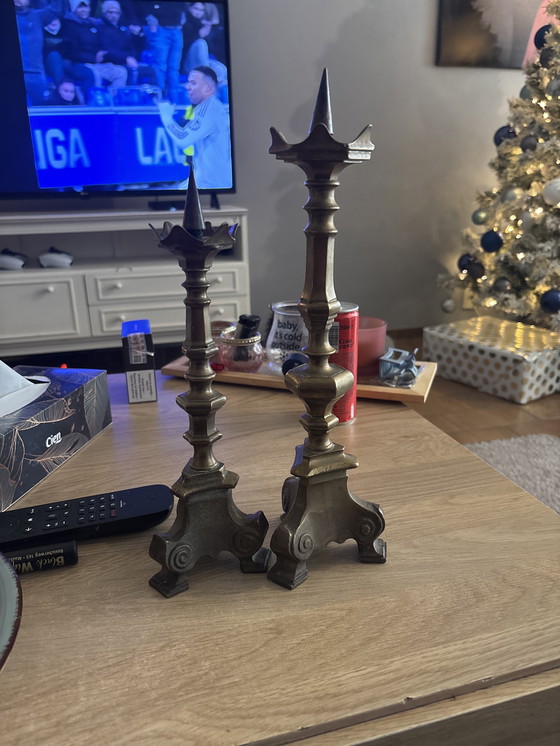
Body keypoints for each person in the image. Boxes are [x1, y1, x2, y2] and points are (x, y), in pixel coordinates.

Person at [157, 65, 231, 189]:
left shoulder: (209, 110)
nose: (187, 87)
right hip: (207, 182)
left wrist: (166, 117)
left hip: (213, 185)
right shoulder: (209, 107)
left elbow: (183, 139)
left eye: (193, 83)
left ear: (208, 87)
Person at [63, 0, 127, 93]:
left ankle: (113, 98)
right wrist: (93, 58)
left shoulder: (93, 24)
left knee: (120, 72)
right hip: (79, 63)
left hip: (97, 63)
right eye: (80, 7)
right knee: (94, 74)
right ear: (74, 9)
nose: (84, 10)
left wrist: (103, 53)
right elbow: (72, 52)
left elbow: (102, 43)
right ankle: (96, 99)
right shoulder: (69, 26)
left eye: (86, 7)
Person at [14, 0, 63, 105]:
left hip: (36, 73)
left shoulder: (38, 16)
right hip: (11, 73)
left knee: (41, 107)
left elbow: (56, 9)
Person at [138, 1, 188, 101]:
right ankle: (160, 98)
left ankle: (175, 101)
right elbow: (144, 6)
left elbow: (183, 7)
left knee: (174, 67)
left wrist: (182, 19)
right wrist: (151, 20)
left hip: (177, 30)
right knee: (160, 66)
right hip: (161, 29)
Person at [98, 0, 155, 86]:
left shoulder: (122, 29)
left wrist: (138, 36)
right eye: (110, 12)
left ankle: (153, 94)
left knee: (151, 70)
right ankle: (128, 94)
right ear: (104, 13)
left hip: (127, 61)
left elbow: (134, 48)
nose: (114, 15)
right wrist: (125, 59)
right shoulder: (100, 29)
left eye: (117, 13)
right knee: (130, 71)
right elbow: (106, 51)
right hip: (111, 63)